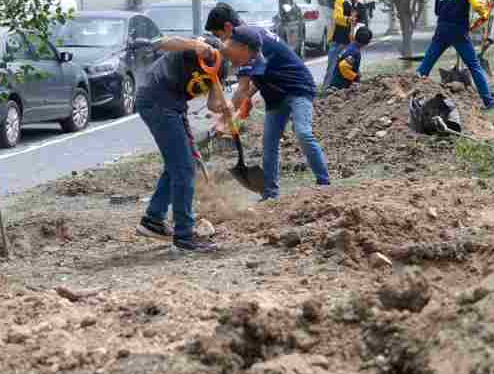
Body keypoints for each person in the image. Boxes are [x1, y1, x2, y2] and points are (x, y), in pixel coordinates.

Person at [134, 31, 233, 252]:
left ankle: (153, 220)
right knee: (184, 168)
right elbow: (159, 42)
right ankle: (185, 236)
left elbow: (212, 104)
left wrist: (225, 108)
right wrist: (195, 45)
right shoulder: (194, 48)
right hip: (157, 100)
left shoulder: (222, 68)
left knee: (178, 165)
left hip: (175, 106)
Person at [222, 26, 332, 196]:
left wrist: (225, 120)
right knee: (269, 143)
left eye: (234, 48)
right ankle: (271, 193)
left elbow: (243, 88)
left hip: (298, 89)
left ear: (244, 47)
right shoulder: (246, 57)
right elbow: (252, 86)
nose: (233, 56)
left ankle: (324, 183)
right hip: (275, 97)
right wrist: (245, 101)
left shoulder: (262, 55)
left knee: (302, 132)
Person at [416, 0, 494, 110]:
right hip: (459, 31)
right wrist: (484, 13)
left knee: (426, 65)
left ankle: (412, 98)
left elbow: (437, 12)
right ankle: (489, 102)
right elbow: (477, 5)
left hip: (441, 30)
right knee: (474, 66)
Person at [319, 0, 370, 96]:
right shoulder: (341, 1)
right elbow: (337, 17)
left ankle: (349, 94)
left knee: (352, 68)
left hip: (352, 44)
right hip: (338, 41)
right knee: (332, 68)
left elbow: (362, 24)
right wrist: (348, 20)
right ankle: (325, 95)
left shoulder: (361, 7)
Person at [330, 26, 372, 91]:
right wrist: (355, 77)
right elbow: (343, 66)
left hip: (336, 84)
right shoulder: (354, 52)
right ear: (366, 43)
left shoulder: (351, 46)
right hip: (339, 87)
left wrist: (357, 71)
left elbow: (349, 64)